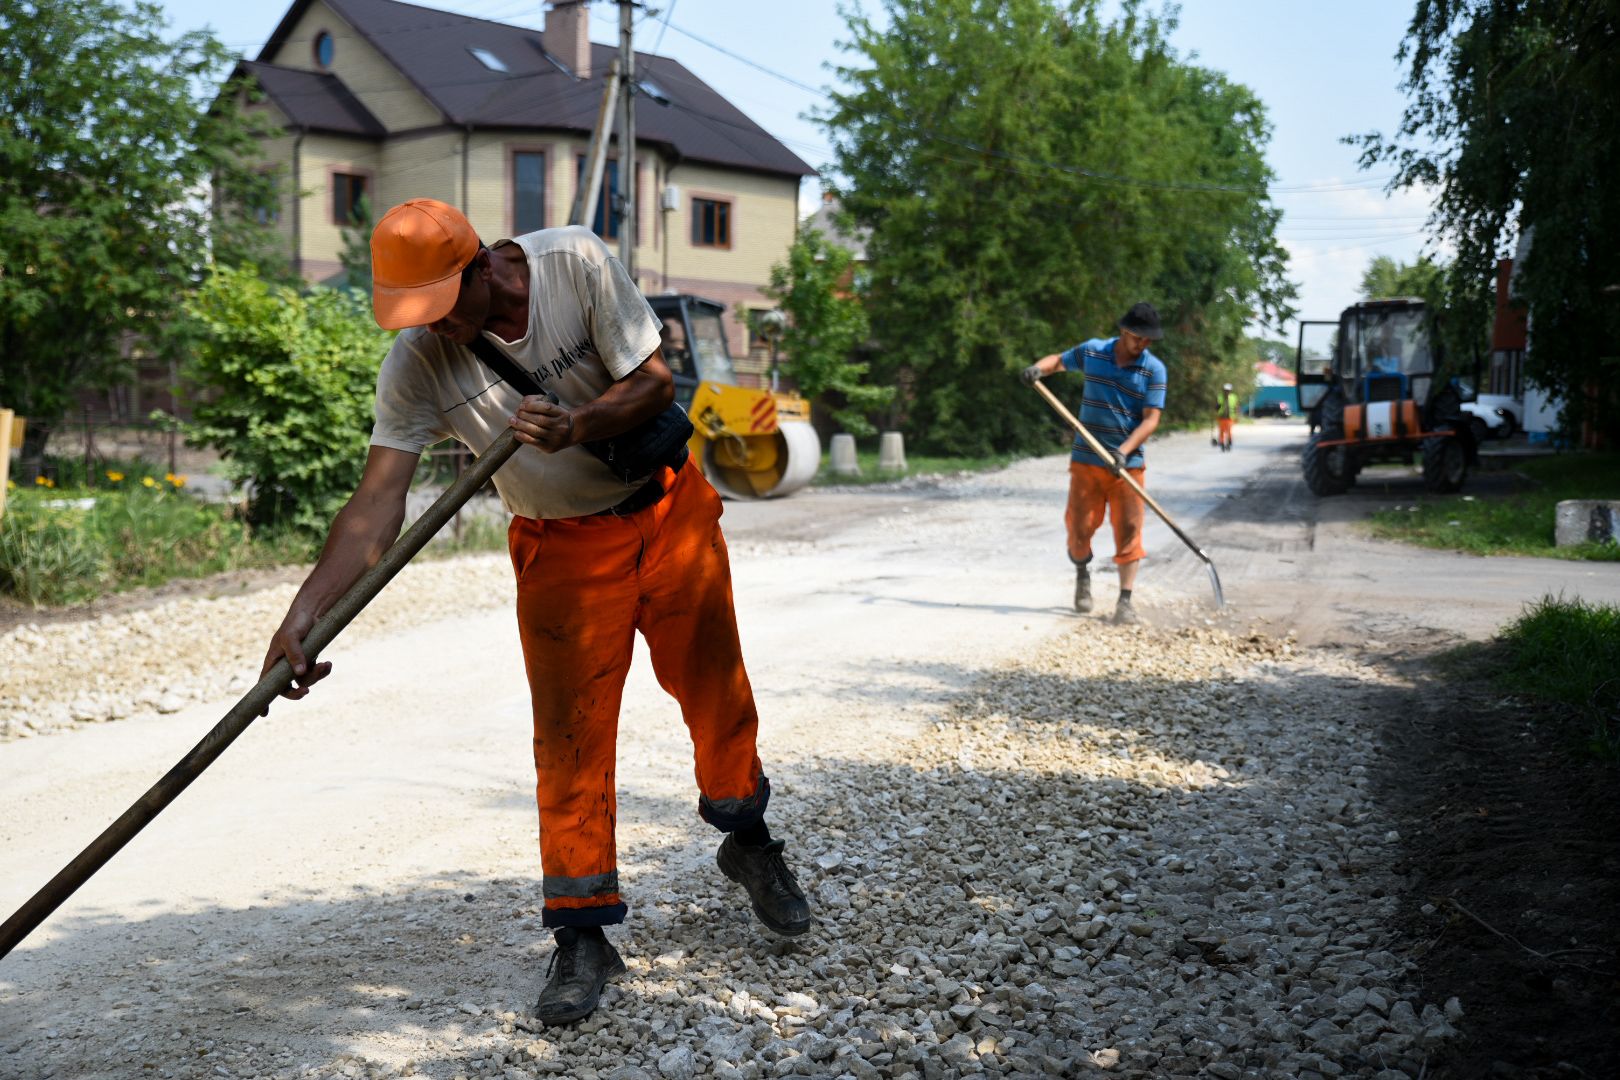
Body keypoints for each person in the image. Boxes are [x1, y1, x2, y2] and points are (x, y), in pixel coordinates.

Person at [258, 198, 811, 1028]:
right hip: (560, 552)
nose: (432, 331)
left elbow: (656, 382)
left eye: (439, 310)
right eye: (413, 316)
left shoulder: (575, 265)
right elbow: (378, 502)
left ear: (482, 268)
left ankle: (749, 839)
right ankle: (582, 932)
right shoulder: (417, 361)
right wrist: (304, 613)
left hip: (668, 513)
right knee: (570, 740)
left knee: (715, 693)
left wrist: (578, 423)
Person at [1021, 302, 1167, 624]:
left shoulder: (1154, 370)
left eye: (1148, 340)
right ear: (1124, 331)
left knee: (1129, 531)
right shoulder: (1094, 351)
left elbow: (1151, 420)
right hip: (1086, 460)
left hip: (1127, 466)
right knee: (1078, 528)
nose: (1143, 344)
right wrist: (1038, 369)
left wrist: (1124, 452)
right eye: (1137, 338)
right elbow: (1058, 362)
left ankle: (1124, 602)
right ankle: (1082, 571)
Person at [1215, 383, 1239, 451]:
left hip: (1230, 417)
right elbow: (1216, 406)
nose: (1226, 391)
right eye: (1225, 390)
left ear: (1230, 390)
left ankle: (1229, 442)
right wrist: (1216, 408)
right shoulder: (1219, 397)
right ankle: (1222, 443)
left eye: (1228, 390)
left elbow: (1236, 407)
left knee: (1229, 431)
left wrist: (1237, 416)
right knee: (1221, 431)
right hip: (1221, 417)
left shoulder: (1234, 397)